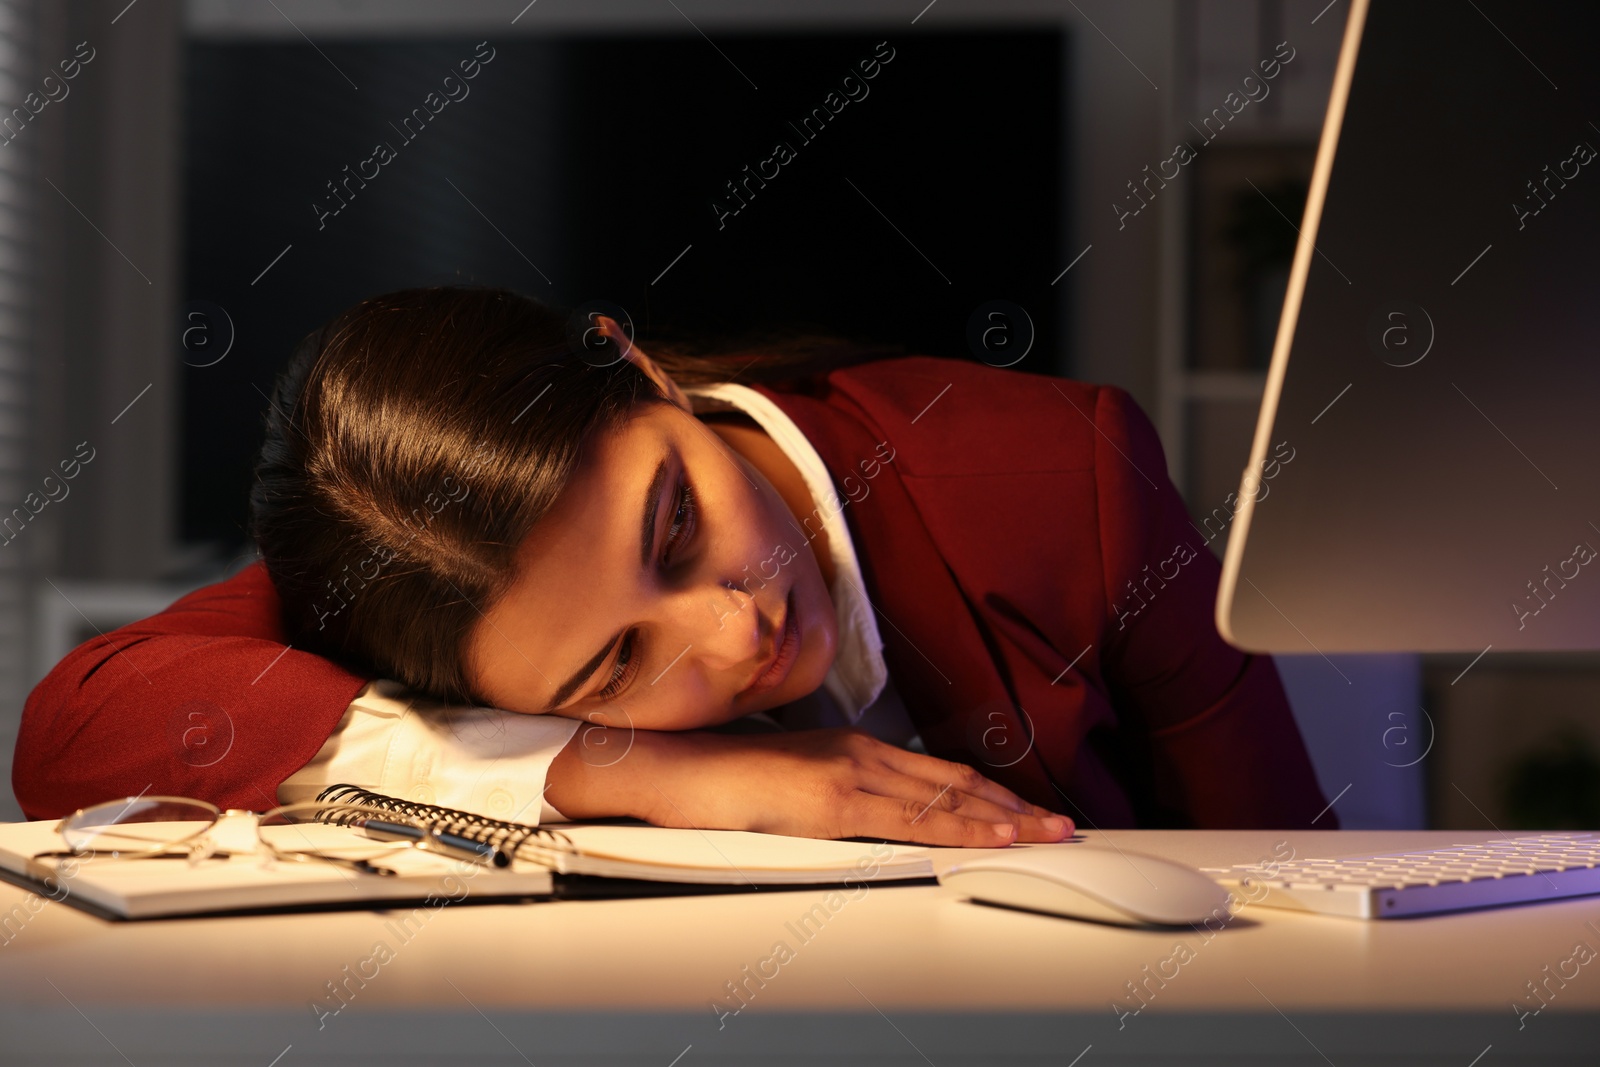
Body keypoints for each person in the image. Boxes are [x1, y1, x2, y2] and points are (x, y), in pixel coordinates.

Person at [14, 287, 1334, 842]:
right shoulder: (404, 579)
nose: (731, 631)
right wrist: (640, 763)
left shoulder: (1065, 475)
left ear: (636, 362)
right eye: (615, 664)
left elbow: (1295, 883)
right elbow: (73, 732)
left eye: (678, 526)